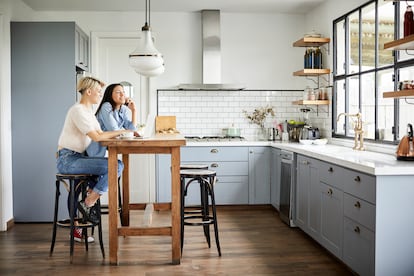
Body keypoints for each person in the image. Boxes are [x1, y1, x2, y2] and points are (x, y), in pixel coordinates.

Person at [56, 76, 133, 243]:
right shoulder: (78, 110)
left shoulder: (89, 112)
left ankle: (87, 204)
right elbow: (97, 137)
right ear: (89, 92)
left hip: (78, 158)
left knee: (116, 166)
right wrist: (124, 131)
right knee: (116, 166)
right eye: (98, 92)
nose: (100, 94)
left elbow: (102, 134)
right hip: (69, 160)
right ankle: (87, 205)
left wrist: (124, 131)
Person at [86, 83, 137, 157]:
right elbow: (114, 130)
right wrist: (126, 132)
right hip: (94, 151)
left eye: (123, 92)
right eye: (118, 92)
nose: (122, 95)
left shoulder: (122, 109)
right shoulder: (106, 106)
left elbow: (132, 130)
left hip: (107, 149)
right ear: (110, 94)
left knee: (118, 164)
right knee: (117, 165)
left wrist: (134, 110)